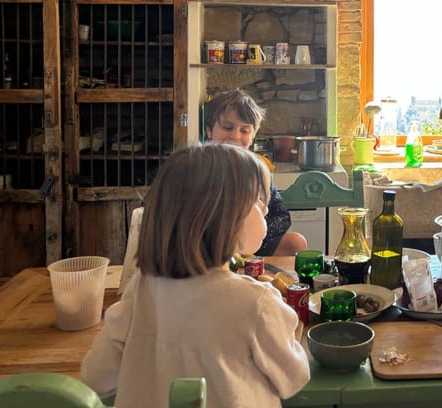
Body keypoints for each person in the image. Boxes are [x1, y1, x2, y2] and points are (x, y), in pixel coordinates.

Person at [81, 143, 310, 408]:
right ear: (223, 218)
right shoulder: (258, 302)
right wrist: (290, 328)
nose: (267, 210)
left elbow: (96, 378)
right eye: (258, 201)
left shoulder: (141, 289)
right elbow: (294, 378)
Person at [204, 89, 308, 257]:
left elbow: (282, 217)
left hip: (255, 244)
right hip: (210, 247)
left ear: (253, 136)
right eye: (228, 127)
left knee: (296, 242)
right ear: (209, 130)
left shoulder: (257, 171)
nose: (236, 136)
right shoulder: (198, 168)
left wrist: (256, 231)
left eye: (244, 130)